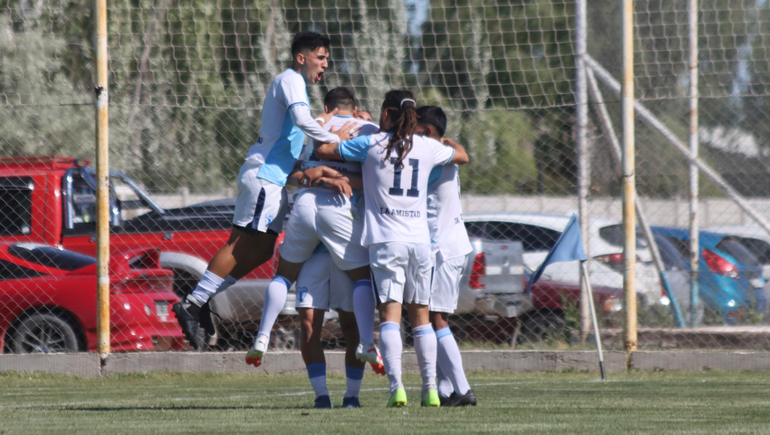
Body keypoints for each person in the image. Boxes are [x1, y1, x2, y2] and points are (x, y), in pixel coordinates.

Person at [172, 32, 354, 348]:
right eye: (321, 57)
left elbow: (292, 160)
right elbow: (301, 119)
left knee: (261, 250)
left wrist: (320, 177)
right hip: (263, 178)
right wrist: (334, 139)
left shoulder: (298, 87)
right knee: (241, 245)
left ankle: (199, 301)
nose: (325, 64)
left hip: (273, 181)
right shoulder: (290, 79)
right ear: (302, 57)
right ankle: (191, 303)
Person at [316, 90, 469, 408]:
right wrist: (437, 141)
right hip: (420, 242)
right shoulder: (428, 146)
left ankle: (397, 388)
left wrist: (337, 127)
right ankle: (429, 391)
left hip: (386, 241)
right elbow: (459, 154)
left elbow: (325, 150)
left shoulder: (371, 144)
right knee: (422, 319)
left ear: (385, 115)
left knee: (389, 316)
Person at [246, 87, 385, 377]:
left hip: (306, 206)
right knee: (361, 280)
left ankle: (262, 336)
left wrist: (321, 172)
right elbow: (377, 177)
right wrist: (335, 173)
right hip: (340, 213)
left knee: (284, 275)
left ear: (327, 106)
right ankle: (369, 344)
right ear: (355, 108)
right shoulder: (368, 129)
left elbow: (294, 169)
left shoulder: (313, 124)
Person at [416, 106, 477, 407]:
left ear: (426, 131)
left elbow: (463, 155)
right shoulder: (444, 151)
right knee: (431, 317)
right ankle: (443, 390)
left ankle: (463, 389)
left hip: (443, 249)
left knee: (435, 319)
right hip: (451, 246)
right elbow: (462, 152)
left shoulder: (431, 155)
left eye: (413, 128)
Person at [293, 246, 367, 408]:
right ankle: (321, 396)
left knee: (352, 327)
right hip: (311, 254)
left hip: (346, 251)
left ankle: (352, 397)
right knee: (308, 326)